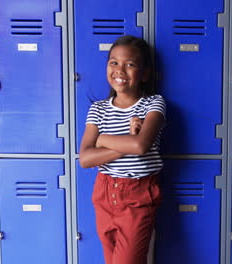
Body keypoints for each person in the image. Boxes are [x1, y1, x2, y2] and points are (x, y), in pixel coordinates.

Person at [79, 35, 165, 264]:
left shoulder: (153, 104)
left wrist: (103, 140)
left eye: (130, 64)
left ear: (145, 73)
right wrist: (125, 140)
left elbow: (140, 145)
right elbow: (86, 158)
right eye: (114, 62)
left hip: (137, 195)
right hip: (105, 192)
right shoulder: (97, 109)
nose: (120, 70)